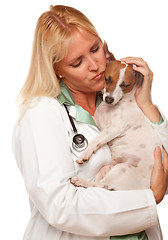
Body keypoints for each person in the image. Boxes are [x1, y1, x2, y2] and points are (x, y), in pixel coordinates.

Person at [12, 5, 168, 240]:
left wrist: (147, 105)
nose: (95, 65)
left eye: (95, 49)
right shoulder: (40, 114)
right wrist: (150, 197)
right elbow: (60, 205)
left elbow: (160, 165)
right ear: (57, 70)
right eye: (77, 63)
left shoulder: (123, 97)